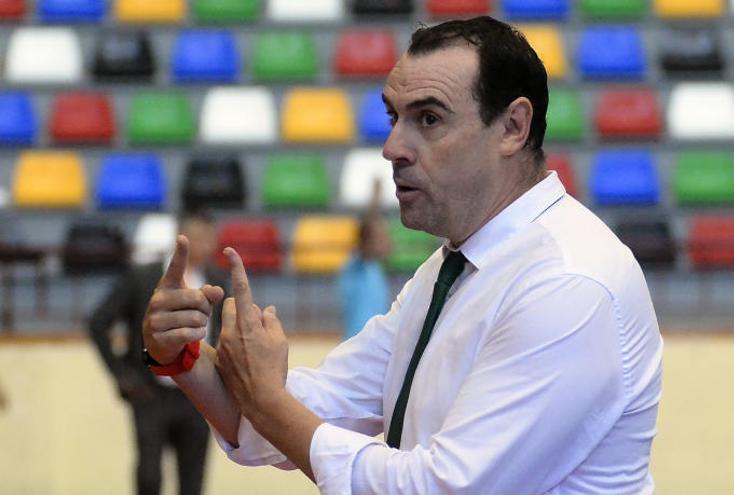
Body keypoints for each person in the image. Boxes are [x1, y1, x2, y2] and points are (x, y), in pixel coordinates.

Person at [143, 16, 663, 494]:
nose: (393, 146)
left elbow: (437, 488)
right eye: (394, 117)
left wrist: (268, 401)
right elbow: (308, 412)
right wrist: (184, 356)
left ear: (513, 127)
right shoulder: (453, 268)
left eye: (429, 119)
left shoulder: (568, 282)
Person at [90, 211, 227, 495]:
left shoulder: (216, 280)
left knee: (193, 480)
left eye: (210, 239)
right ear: (183, 239)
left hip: (198, 398)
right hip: (151, 393)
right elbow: (98, 323)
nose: (208, 246)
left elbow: (225, 335)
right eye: (201, 238)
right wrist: (123, 375)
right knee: (149, 476)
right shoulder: (143, 277)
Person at [338, 179, 393, 340]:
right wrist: (375, 203)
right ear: (367, 241)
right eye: (381, 238)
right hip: (356, 344)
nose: (387, 242)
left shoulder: (375, 268)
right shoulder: (356, 266)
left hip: (375, 343)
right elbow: (367, 229)